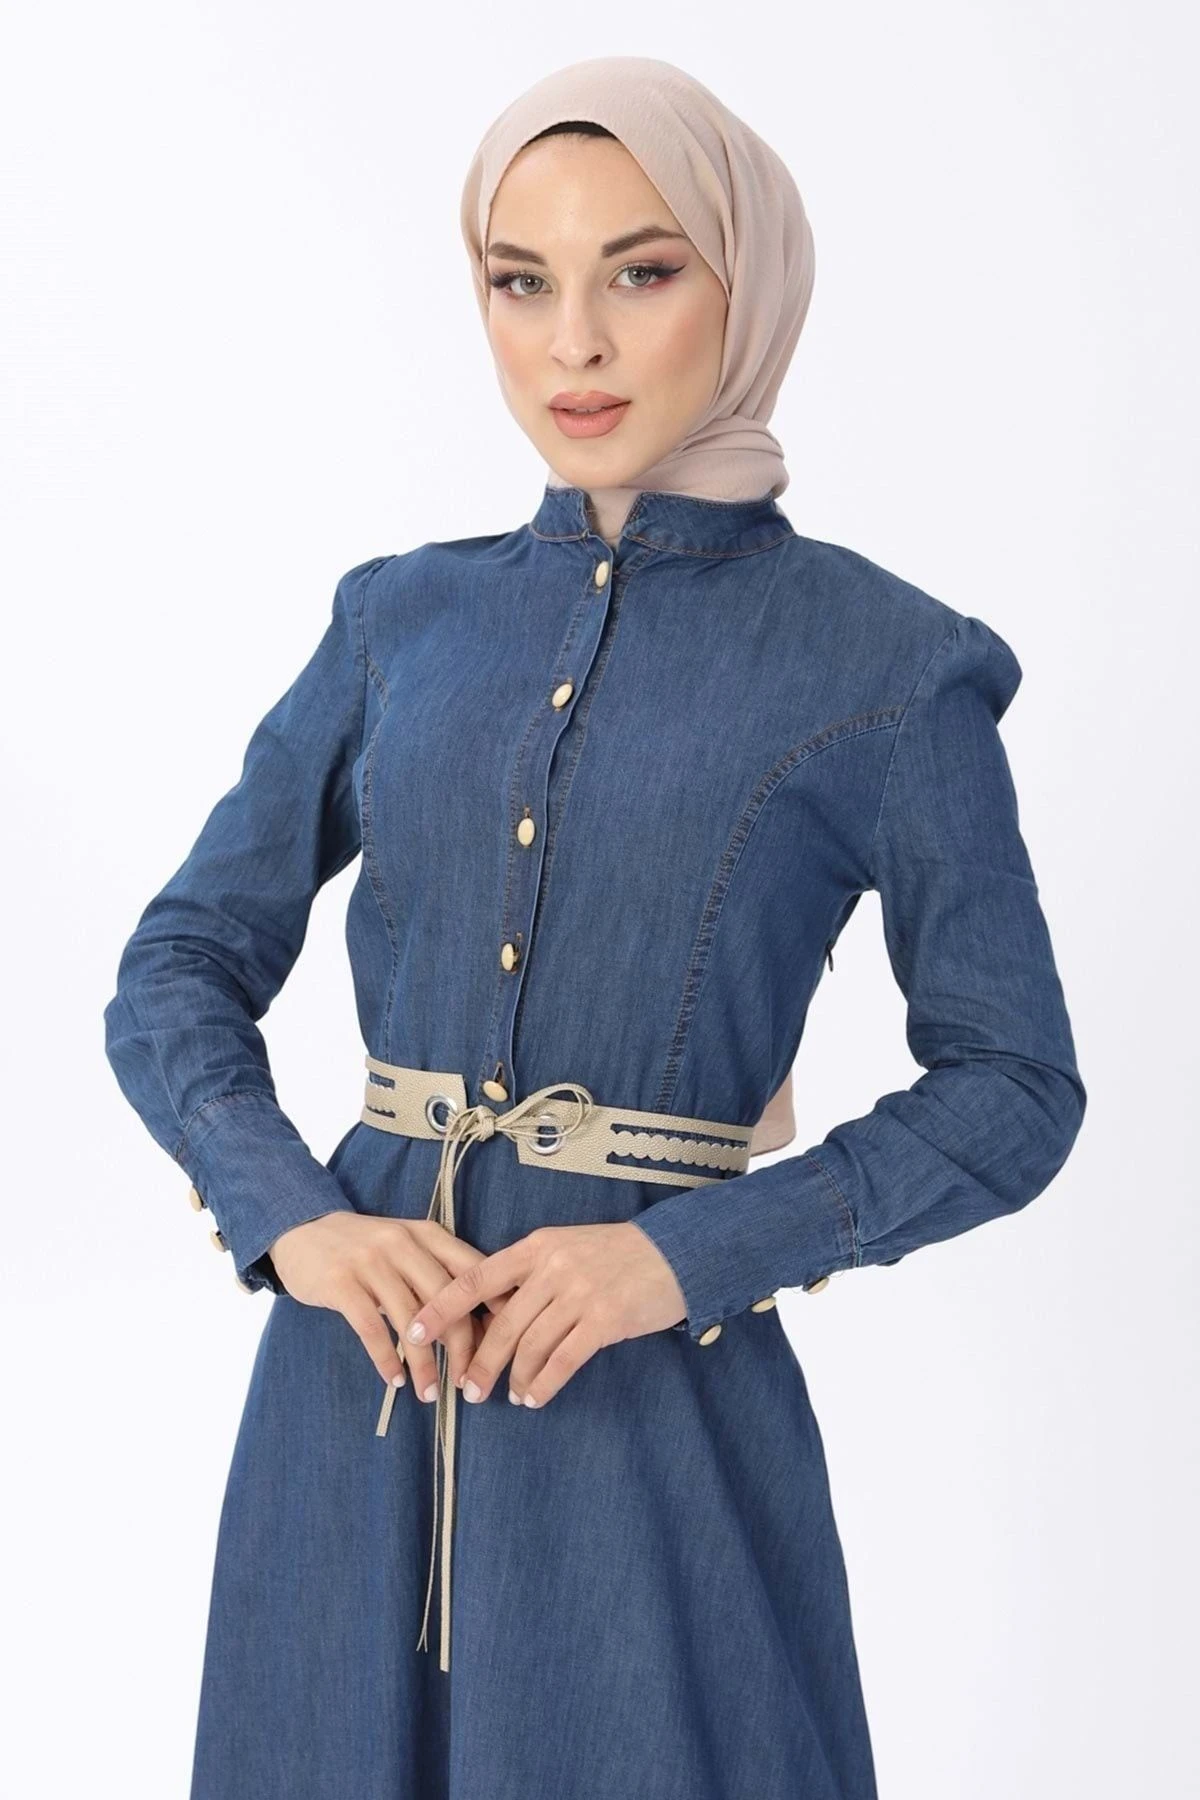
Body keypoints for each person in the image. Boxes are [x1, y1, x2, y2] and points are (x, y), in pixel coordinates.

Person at [102, 54, 1087, 1800]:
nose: (575, 343)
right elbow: (179, 963)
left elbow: (1013, 1087)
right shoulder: (399, 621)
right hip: (351, 1402)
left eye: (640, 271)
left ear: (746, 281)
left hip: (654, 1421)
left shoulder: (891, 666)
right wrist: (292, 1219)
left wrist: (682, 1258)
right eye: (520, 280)